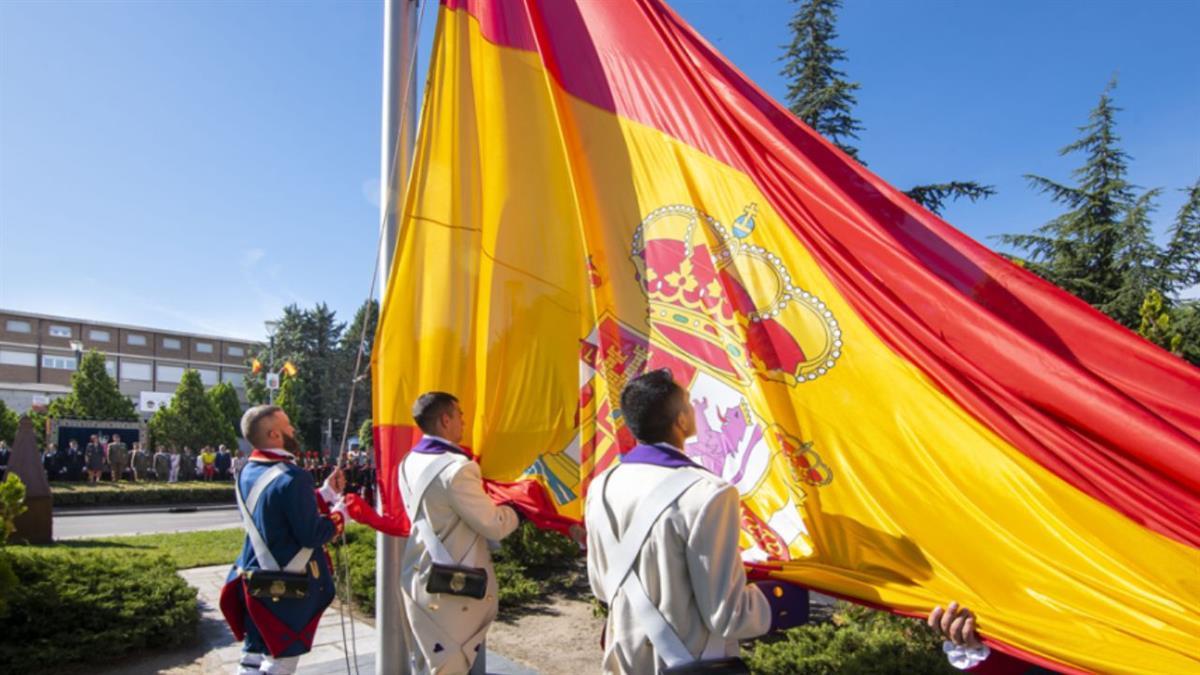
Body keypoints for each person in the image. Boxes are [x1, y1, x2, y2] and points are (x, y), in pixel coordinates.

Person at [585, 370, 808, 674]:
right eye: (690, 406)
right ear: (682, 421)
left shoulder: (602, 484)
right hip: (693, 663)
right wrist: (789, 595)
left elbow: (602, 586)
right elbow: (727, 614)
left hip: (624, 663)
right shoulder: (709, 493)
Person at [219, 405, 347, 675]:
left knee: (251, 659)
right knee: (279, 665)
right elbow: (311, 534)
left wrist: (323, 493)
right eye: (288, 425)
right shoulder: (294, 476)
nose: (293, 430)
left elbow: (275, 512)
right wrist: (339, 515)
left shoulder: (247, 469)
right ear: (274, 434)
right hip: (286, 583)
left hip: (254, 577)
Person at [398, 392, 520, 675]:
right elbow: (493, 524)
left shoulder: (407, 461)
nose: (464, 421)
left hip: (419, 574)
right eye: (460, 415)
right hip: (452, 586)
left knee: (428, 664)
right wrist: (520, 509)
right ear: (445, 419)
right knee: (450, 665)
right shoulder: (457, 468)